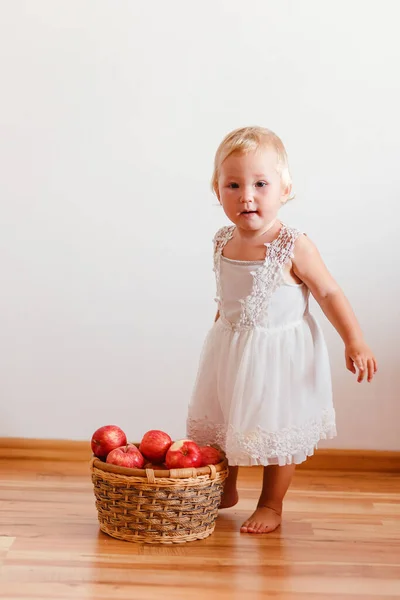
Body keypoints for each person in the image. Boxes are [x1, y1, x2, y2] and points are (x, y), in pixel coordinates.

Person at [186, 126, 377, 534]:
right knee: (223, 420)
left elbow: (328, 292)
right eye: (232, 184)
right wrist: (220, 336)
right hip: (231, 349)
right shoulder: (222, 240)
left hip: (280, 357)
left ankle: (272, 504)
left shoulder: (292, 244)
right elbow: (227, 298)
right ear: (217, 190)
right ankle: (228, 485)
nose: (246, 196)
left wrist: (354, 339)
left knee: (278, 429)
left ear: (285, 189)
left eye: (260, 184)